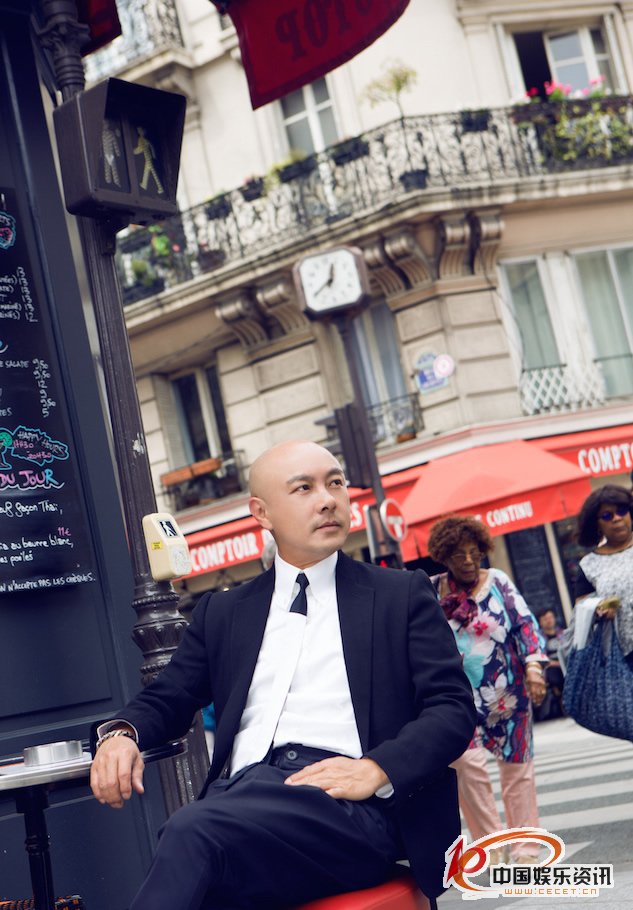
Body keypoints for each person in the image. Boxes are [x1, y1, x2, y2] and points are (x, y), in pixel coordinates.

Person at [90, 440, 476, 910]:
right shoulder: (224, 611)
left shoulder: (400, 594)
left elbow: (452, 709)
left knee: (191, 832)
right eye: (304, 488)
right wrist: (121, 733)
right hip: (244, 798)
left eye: (335, 483)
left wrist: (376, 769)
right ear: (262, 512)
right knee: (203, 865)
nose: (328, 499)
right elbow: (169, 696)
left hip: (349, 808)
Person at [427, 515, 548, 864]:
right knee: (466, 765)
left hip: (509, 694)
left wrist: (534, 668)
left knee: (517, 771)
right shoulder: (431, 590)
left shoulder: (498, 581)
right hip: (456, 699)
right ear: (444, 556)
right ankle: (490, 845)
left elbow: (525, 625)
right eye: (459, 555)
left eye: (474, 553)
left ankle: (525, 849)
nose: (468, 561)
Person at [574, 484, 633, 664]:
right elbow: (581, 610)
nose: (617, 518)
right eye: (607, 516)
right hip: (624, 659)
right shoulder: (589, 565)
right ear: (597, 525)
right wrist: (598, 610)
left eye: (622, 511)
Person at [533, 610, 565, 721]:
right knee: (554, 673)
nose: (549, 621)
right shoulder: (537, 638)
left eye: (550, 617)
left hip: (564, 665)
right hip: (549, 667)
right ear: (540, 622)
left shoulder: (563, 634)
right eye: (545, 619)